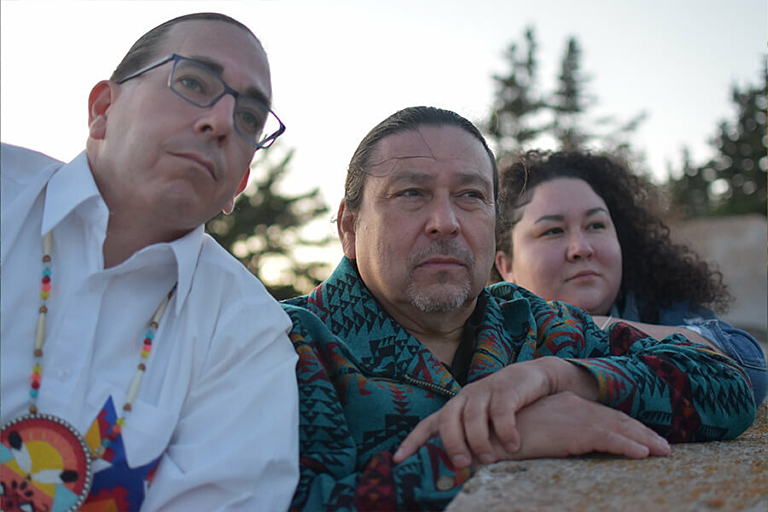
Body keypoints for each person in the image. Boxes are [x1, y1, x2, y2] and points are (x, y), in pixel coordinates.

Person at [281, 106, 756, 511]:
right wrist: (497, 441)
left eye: (471, 196)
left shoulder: (528, 321)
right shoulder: (289, 344)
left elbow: (728, 385)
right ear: (348, 226)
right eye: (412, 194)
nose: (445, 222)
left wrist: (562, 377)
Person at [1, 13, 298, 512]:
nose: (223, 122)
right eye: (192, 82)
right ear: (102, 110)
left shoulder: (248, 332)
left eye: (249, 119)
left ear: (240, 184)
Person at [493, 150, 766, 406]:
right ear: (506, 266)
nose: (581, 248)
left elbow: (747, 368)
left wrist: (591, 330)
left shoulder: (660, 308)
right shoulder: (487, 329)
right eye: (552, 231)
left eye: (596, 225)